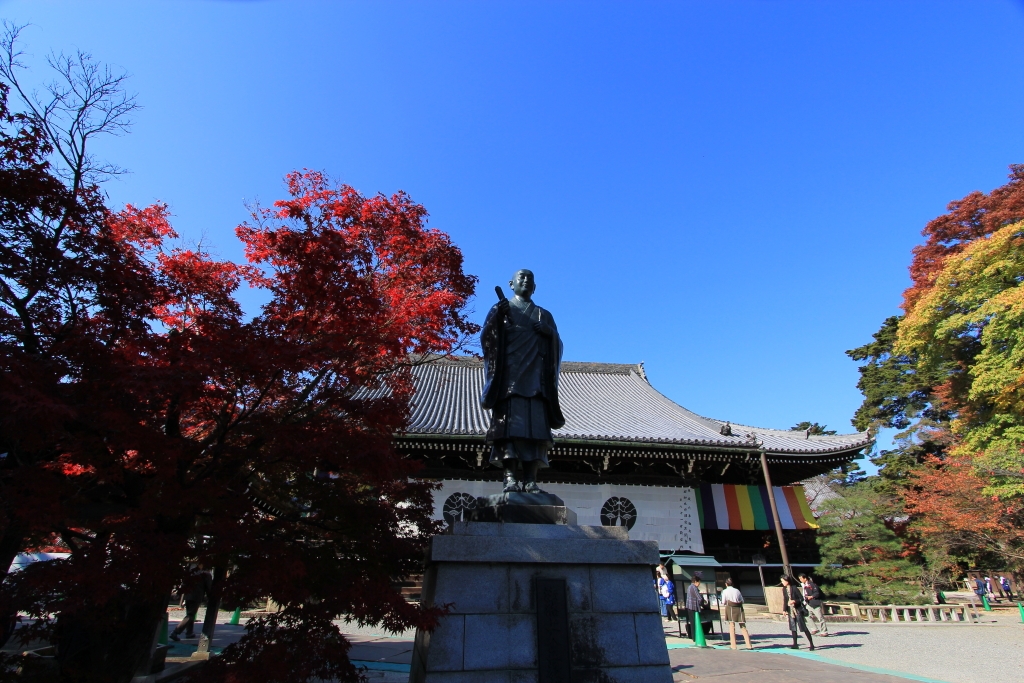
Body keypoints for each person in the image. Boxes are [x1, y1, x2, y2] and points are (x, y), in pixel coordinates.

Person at [480, 269, 565, 493]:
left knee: (535, 432)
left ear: (534, 287)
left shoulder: (543, 315)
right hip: (509, 380)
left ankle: (530, 479)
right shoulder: (500, 309)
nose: (526, 281)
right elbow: (487, 338)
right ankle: (509, 477)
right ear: (511, 284)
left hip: (536, 382)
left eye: (530, 279)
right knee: (509, 430)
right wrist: (498, 319)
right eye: (522, 278)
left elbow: (558, 345)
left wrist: (549, 333)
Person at [169, 566, 213, 641]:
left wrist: (179, 594)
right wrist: (210, 598)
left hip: (188, 595)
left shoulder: (192, 572)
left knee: (189, 614)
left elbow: (184, 584)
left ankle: (189, 632)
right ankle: (176, 631)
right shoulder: (206, 574)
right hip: (197, 596)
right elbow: (208, 587)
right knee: (191, 615)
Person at [780, 575, 814, 651]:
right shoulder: (784, 589)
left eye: (783, 581)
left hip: (797, 609)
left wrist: (795, 601)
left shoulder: (794, 588)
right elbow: (785, 600)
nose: (782, 582)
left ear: (787, 581)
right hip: (790, 610)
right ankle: (795, 644)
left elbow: (801, 598)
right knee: (793, 627)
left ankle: (811, 644)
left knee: (803, 627)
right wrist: (784, 610)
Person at [721, 578, 753, 650]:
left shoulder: (725, 591)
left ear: (726, 584)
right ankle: (749, 645)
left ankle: (733, 645)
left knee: (732, 627)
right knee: (743, 627)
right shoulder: (737, 590)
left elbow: (723, 602)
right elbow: (742, 600)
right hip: (739, 608)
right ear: (733, 584)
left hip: (730, 608)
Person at [685, 574, 705, 641]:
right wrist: (702, 603)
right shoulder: (694, 587)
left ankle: (693, 636)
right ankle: (695, 637)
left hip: (689, 606)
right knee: (695, 623)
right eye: (699, 582)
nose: (699, 584)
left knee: (692, 622)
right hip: (693, 607)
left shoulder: (689, 587)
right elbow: (699, 598)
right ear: (696, 581)